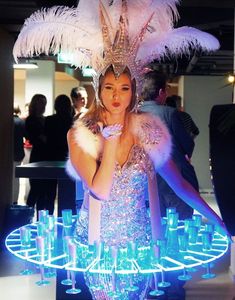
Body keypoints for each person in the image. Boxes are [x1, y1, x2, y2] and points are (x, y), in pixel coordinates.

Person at [13, 1, 226, 299]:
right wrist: (110, 140)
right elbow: (100, 190)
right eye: (109, 87)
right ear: (99, 90)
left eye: (124, 88)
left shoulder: (148, 131)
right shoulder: (81, 135)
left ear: (134, 92)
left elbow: (178, 184)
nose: (116, 95)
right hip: (96, 244)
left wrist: (217, 218)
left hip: (140, 242)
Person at [141, 71, 199, 220]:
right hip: (174, 179)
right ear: (161, 92)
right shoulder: (169, 113)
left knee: (155, 227)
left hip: (146, 182)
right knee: (179, 225)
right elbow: (187, 145)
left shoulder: (134, 115)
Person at [44, 94, 73, 214]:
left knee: (49, 193)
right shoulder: (71, 120)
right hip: (67, 159)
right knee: (66, 193)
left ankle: (48, 221)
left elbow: (48, 139)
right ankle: (65, 221)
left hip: (51, 158)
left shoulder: (49, 120)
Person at [25, 94, 48, 213]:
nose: (43, 106)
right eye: (40, 103)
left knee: (42, 191)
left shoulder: (44, 119)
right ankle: (27, 217)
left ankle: (39, 219)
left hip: (44, 157)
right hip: (37, 156)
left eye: (44, 103)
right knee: (35, 189)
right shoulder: (31, 120)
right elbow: (34, 137)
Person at [13, 103, 25, 203]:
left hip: (6, 154)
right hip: (18, 154)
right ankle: (14, 201)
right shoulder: (20, 122)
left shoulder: (5, 121)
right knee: (16, 180)